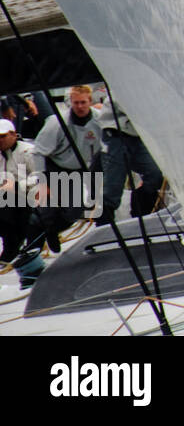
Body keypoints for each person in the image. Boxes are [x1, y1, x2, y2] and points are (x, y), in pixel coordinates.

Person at [30, 85, 103, 253]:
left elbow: (104, 149)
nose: (80, 106)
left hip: (79, 169)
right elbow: (39, 152)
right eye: (76, 103)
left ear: (90, 102)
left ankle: (52, 231)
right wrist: (43, 182)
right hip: (55, 167)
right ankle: (35, 244)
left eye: (83, 102)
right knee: (47, 211)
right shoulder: (56, 123)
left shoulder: (99, 121)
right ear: (70, 102)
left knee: (74, 211)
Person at [94, 99, 164, 226]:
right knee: (113, 188)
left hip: (137, 134)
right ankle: (102, 226)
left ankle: (141, 215)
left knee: (155, 175)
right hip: (115, 133)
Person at [0, 119, 46, 286]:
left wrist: (18, 185)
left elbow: (40, 175)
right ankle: (11, 244)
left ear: (13, 135)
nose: (0, 140)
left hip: (29, 196)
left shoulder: (28, 151)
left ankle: (25, 247)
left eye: (3, 136)